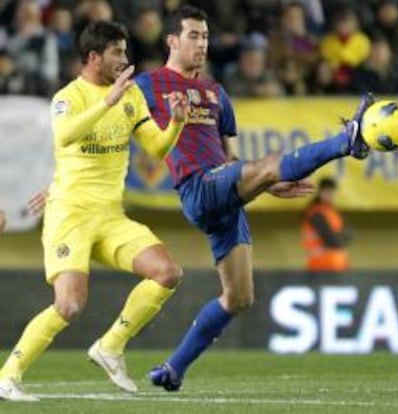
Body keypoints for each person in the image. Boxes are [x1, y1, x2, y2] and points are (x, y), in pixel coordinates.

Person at [135, 5, 374, 392]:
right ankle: (347, 140)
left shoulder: (215, 93)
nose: (202, 43)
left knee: (239, 297)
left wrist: (267, 182)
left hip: (225, 195)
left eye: (206, 36)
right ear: (172, 41)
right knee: (269, 163)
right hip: (197, 188)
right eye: (194, 36)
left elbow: (229, 159)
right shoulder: (149, 85)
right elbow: (113, 121)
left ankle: (174, 369)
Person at [0, 21, 188, 402]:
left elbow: (156, 149)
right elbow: (65, 135)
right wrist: (107, 101)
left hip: (110, 217)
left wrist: (178, 123)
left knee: (167, 273)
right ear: (93, 57)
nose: (124, 59)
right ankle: (7, 376)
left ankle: (110, 345)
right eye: (117, 52)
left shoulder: (130, 96)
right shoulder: (68, 97)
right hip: (69, 214)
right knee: (69, 304)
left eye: (125, 51)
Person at [302, 177, 351, 272]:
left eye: (331, 192)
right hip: (320, 266)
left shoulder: (333, 211)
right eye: (326, 191)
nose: (329, 195)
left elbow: (349, 234)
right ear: (320, 192)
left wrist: (340, 238)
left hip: (338, 265)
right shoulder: (315, 213)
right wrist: (340, 238)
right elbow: (331, 239)